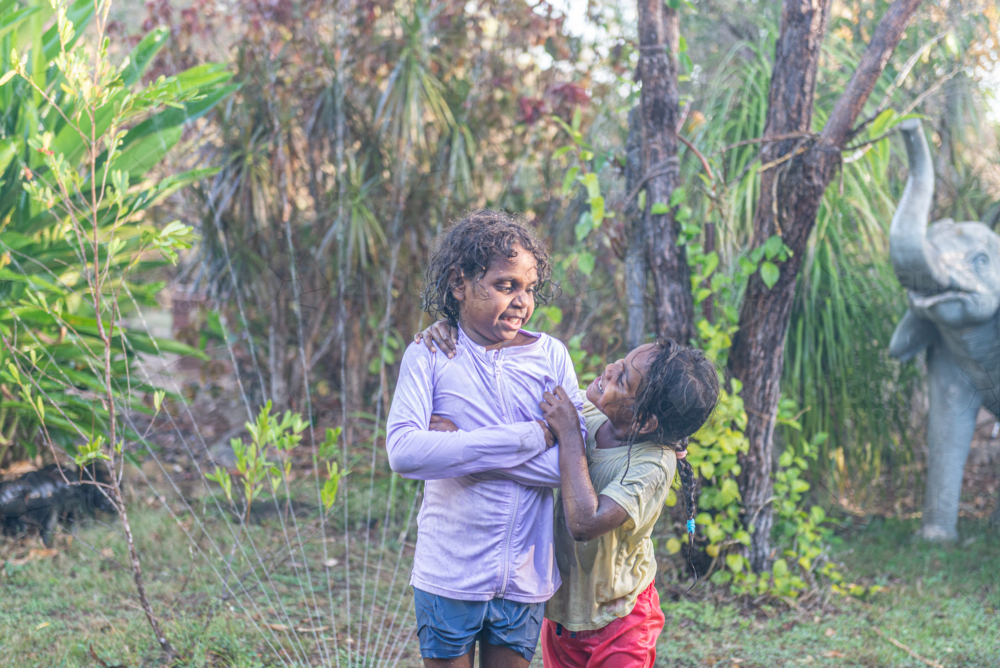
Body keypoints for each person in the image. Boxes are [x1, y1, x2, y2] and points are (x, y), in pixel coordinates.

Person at [417, 325, 719, 667]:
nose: (609, 369)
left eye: (622, 380)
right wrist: (457, 329)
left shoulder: (652, 464)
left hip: (621, 618)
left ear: (645, 421)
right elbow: (513, 425)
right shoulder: (591, 414)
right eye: (620, 362)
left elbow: (585, 522)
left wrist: (570, 433)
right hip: (562, 617)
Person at [386, 209, 586, 668]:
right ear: (459, 283)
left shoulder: (551, 356)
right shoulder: (430, 355)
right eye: (505, 285)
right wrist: (534, 436)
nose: (521, 301)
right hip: (449, 572)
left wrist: (460, 448)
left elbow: (576, 464)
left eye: (529, 288)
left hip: (526, 575)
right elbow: (405, 453)